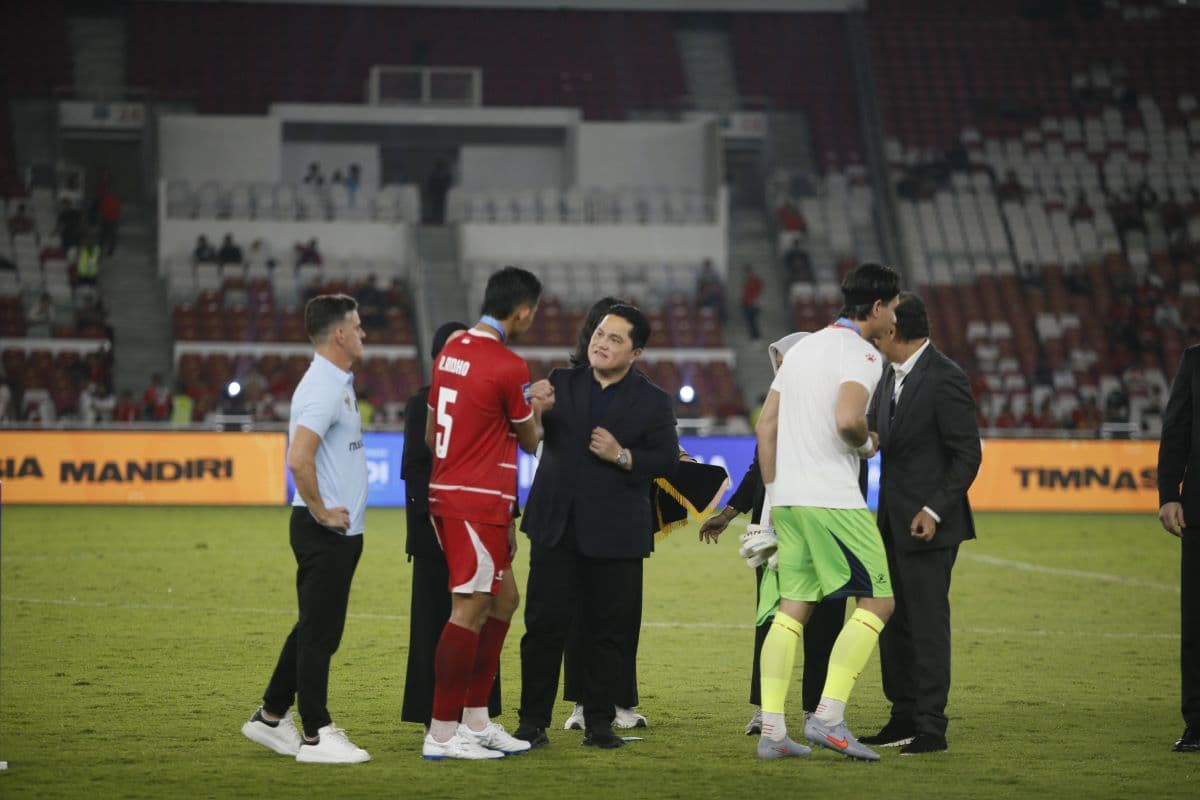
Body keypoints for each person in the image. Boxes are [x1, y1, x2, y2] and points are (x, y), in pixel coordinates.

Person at [515, 303, 680, 750]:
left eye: (615, 339)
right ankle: (532, 722)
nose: (601, 343)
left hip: (617, 535)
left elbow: (667, 460)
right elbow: (528, 438)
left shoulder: (653, 400)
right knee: (543, 628)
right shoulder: (559, 383)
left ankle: (600, 723)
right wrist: (534, 412)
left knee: (609, 632)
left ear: (636, 351)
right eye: (599, 334)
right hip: (556, 528)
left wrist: (623, 456)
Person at [753, 261, 899, 761]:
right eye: (893, 310)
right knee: (878, 602)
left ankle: (773, 730)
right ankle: (828, 718)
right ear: (876, 307)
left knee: (792, 608)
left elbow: (765, 426)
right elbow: (848, 419)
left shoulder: (803, 347)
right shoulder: (862, 353)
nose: (893, 322)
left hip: (791, 498)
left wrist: (773, 497)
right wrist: (866, 444)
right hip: (833, 499)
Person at [423, 266, 552, 761]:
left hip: (464, 494)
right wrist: (536, 401)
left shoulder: (451, 350)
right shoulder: (509, 366)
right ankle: (440, 733)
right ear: (521, 311)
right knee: (471, 608)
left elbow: (436, 428)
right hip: (472, 499)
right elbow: (530, 439)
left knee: (503, 601)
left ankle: (476, 720)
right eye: (533, 313)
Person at [240, 294, 371, 764]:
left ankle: (271, 716)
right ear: (339, 334)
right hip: (324, 532)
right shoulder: (320, 386)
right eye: (357, 327)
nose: (363, 334)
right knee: (319, 634)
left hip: (339, 533)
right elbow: (298, 458)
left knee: (316, 629)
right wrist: (320, 512)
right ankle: (317, 734)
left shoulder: (337, 381)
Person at [699, 332, 847, 736]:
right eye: (778, 362)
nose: (781, 369)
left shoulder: (838, 409)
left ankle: (818, 712)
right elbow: (755, 474)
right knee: (770, 622)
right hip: (770, 535)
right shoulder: (776, 409)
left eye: (788, 361)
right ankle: (767, 711)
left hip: (823, 534)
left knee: (824, 626)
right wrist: (728, 513)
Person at [861, 292, 981, 755]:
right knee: (893, 623)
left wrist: (933, 510)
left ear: (894, 331)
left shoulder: (945, 377)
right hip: (890, 523)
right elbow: (875, 434)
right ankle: (903, 715)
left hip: (931, 526)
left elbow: (967, 454)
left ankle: (931, 724)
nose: (872, 333)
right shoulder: (888, 375)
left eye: (878, 326)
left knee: (927, 624)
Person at [400, 321, 504, 733]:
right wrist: (437, 530)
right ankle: (435, 718)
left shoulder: (489, 403)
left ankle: (477, 717)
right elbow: (415, 471)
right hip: (438, 539)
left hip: (482, 534)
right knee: (432, 628)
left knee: (479, 624)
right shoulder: (421, 404)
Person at [1158, 343, 1200, 753]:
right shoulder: (1195, 359)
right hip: (1199, 511)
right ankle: (1198, 723)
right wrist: (1169, 492)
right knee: (1196, 624)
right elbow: (1177, 426)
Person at [741, 265, 764, 342]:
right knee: (749, 321)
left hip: (753, 302)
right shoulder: (746, 280)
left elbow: (759, 290)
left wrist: (756, 300)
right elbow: (745, 292)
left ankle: (757, 337)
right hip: (746, 302)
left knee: (753, 320)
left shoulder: (755, 280)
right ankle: (753, 337)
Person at [98, 189, 121, 255]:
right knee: (108, 236)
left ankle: (104, 250)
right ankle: (108, 250)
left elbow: (101, 210)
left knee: (104, 236)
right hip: (109, 219)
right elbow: (118, 211)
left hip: (108, 219)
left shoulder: (107, 200)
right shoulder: (112, 200)